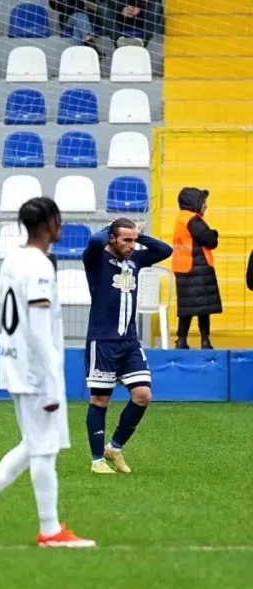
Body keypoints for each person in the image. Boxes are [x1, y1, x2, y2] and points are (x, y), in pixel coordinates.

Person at [0, 197, 95, 549]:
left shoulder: (14, 260)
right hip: (35, 369)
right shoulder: (38, 265)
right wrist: (51, 382)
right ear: (50, 224)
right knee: (44, 448)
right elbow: (37, 325)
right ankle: (49, 530)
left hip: (16, 362)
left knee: (33, 443)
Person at [82, 219, 172, 474]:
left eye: (134, 240)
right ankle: (97, 460)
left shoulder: (136, 261)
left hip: (130, 342)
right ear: (112, 238)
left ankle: (115, 447)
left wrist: (138, 235)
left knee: (143, 395)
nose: (132, 245)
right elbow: (94, 241)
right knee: (100, 400)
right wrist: (111, 227)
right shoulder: (96, 259)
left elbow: (165, 251)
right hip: (103, 341)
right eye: (126, 240)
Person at [171, 187, 221, 350]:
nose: (206, 206)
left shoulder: (182, 218)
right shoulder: (193, 220)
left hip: (184, 268)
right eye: (204, 202)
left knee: (187, 307)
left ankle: (181, 340)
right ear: (195, 202)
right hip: (197, 268)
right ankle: (205, 341)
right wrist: (215, 233)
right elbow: (210, 240)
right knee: (203, 308)